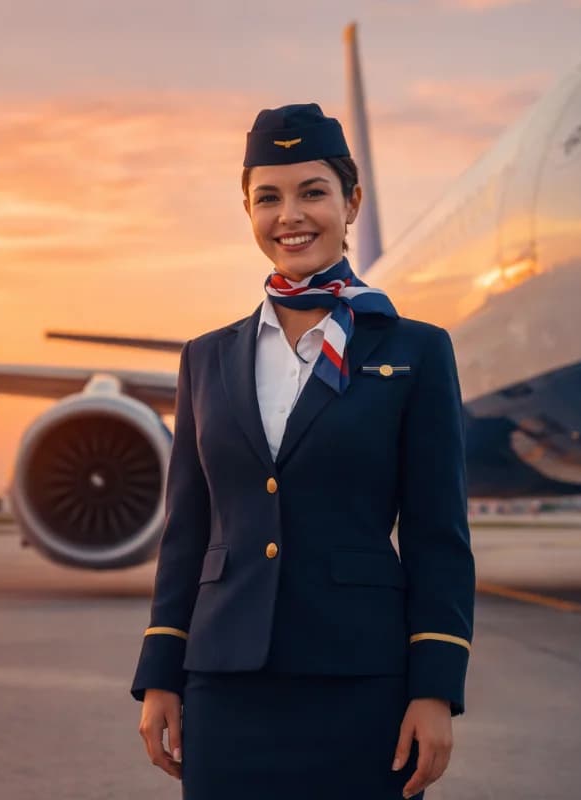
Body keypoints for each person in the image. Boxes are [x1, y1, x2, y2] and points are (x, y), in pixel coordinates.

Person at [130, 103, 475, 800]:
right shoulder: (206, 357)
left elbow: (439, 536)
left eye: (313, 192)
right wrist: (160, 671)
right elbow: (187, 532)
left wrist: (435, 687)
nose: (291, 215)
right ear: (249, 211)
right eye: (269, 197)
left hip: (361, 681)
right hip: (224, 683)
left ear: (350, 202)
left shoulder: (414, 351)